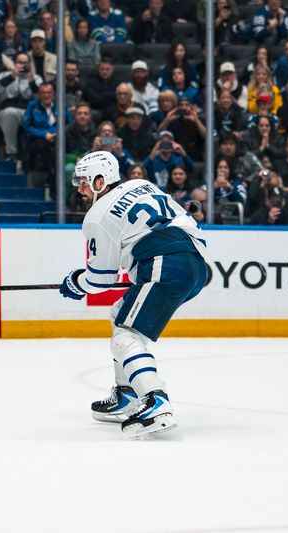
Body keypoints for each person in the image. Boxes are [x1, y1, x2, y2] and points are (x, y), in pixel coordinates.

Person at [60, 150, 207, 439]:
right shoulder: (144, 185)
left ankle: (155, 401)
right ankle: (127, 394)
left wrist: (76, 282)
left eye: (84, 181)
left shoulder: (97, 215)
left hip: (165, 263)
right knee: (119, 314)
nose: (79, 187)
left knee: (125, 335)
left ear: (101, 180)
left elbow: (100, 279)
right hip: (195, 262)